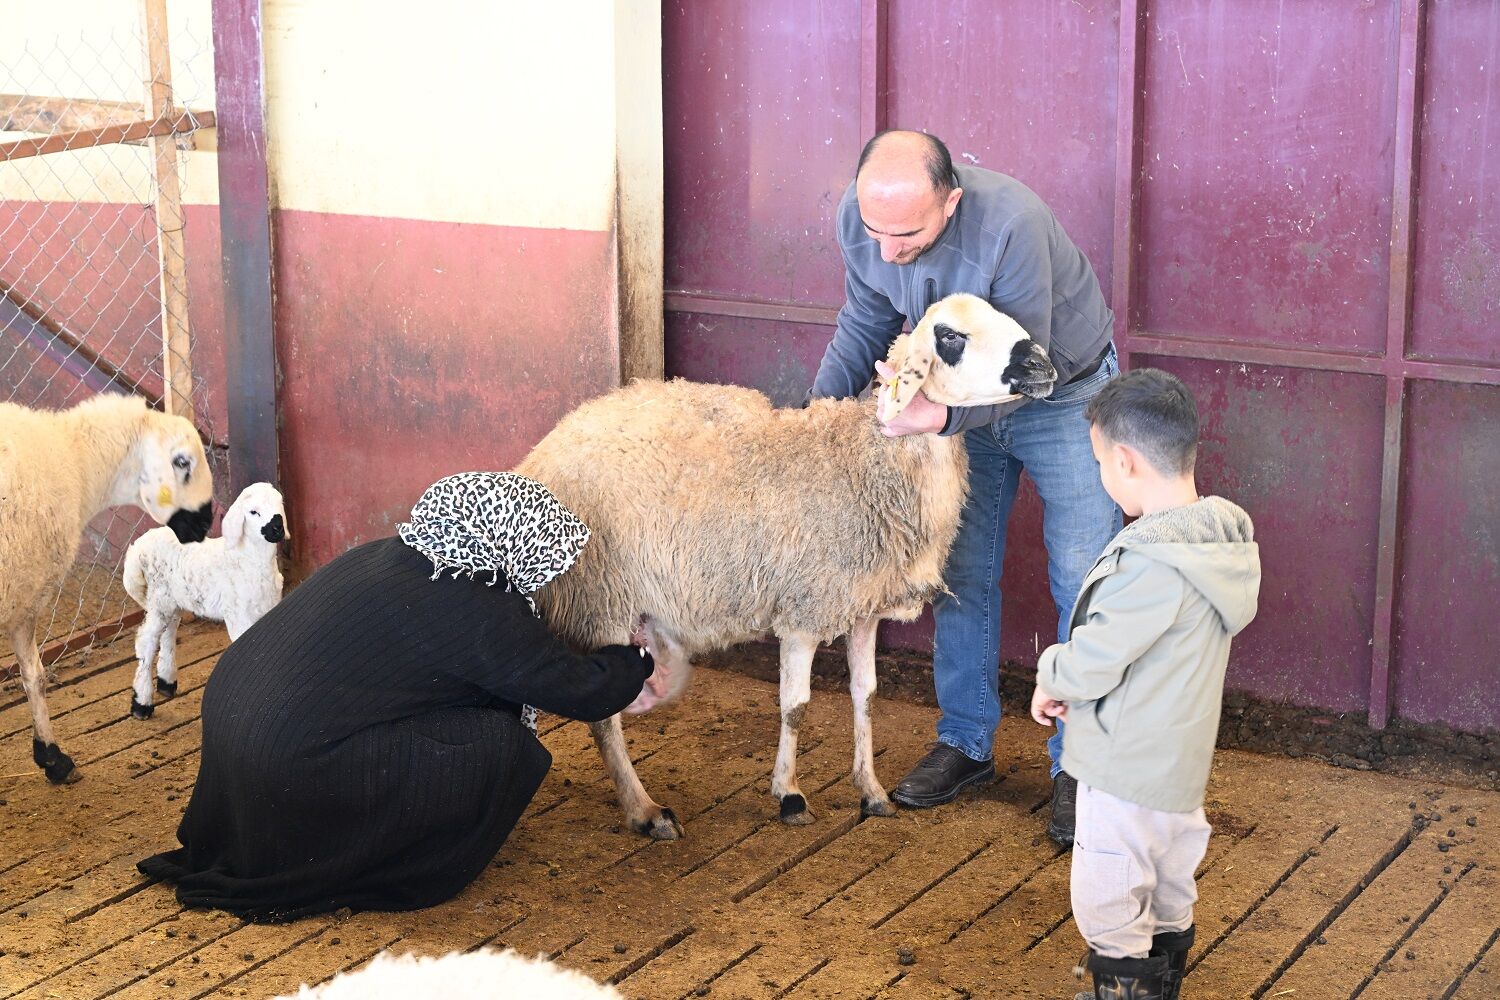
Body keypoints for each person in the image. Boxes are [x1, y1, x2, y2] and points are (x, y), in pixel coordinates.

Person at [138, 472, 658, 922]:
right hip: (284, 761)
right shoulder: (475, 605)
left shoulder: (385, 554)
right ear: (515, 545)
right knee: (502, 745)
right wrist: (636, 661)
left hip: (235, 719)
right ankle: (390, 855)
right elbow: (580, 690)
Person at [810, 129, 1121, 842]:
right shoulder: (866, 221)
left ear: (951, 202)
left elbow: (1027, 365)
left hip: (1058, 395)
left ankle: (1080, 766)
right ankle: (966, 743)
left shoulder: (1012, 224)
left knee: (1084, 576)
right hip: (951, 407)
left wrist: (939, 415)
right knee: (960, 573)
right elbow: (864, 319)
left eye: (908, 232)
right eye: (873, 228)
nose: (887, 248)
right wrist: (814, 421)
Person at [1029, 370, 1261, 1000]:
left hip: (1124, 772)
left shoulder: (1150, 564)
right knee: (1168, 887)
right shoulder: (1216, 546)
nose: (1103, 472)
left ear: (1125, 461)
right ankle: (1160, 987)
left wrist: (1052, 674)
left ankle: (1123, 990)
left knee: (1108, 897)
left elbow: (1098, 658)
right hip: (1178, 773)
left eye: (1101, 460)